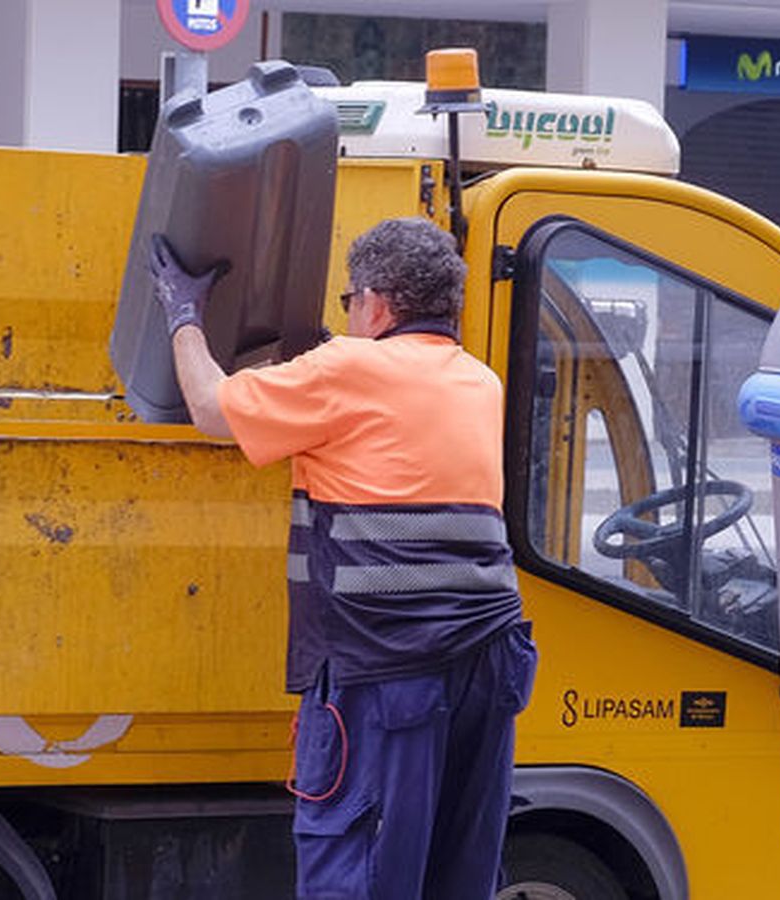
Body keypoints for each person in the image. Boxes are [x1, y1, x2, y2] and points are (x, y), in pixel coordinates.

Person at [149, 217, 537, 899]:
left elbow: (211, 409)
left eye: (349, 302)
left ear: (379, 304)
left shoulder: (345, 370)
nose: (349, 317)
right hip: (489, 661)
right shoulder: (480, 382)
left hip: (386, 674)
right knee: (454, 874)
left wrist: (183, 314)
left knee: (360, 868)